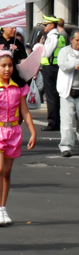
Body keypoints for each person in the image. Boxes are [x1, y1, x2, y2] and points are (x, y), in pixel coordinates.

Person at [0, 51, 36, 227]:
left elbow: (25, 112)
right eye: (3, 65)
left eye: (10, 65)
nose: (7, 69)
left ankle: (3, 208)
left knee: (6, 173)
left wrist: (32, 131)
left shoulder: (18, 87)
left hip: (13, 132)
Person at [37, 15, 65, 131]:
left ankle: (53, 122)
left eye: (46, 25)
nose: (44, 27)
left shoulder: (51, 37)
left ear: (52, 25)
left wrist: (40, 45)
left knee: (51, 96)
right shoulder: (59, 36)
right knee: (56, 95)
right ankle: (56, 121)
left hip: (50, 67)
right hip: (55, 67)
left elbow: (46, 53)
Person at [56, 29, 79, 157]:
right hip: (67, 91)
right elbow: (63, 65)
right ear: (71, 40)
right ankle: (66, 147)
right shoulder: (64, 51)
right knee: (67, 121)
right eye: (77, 40)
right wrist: (76, 63)